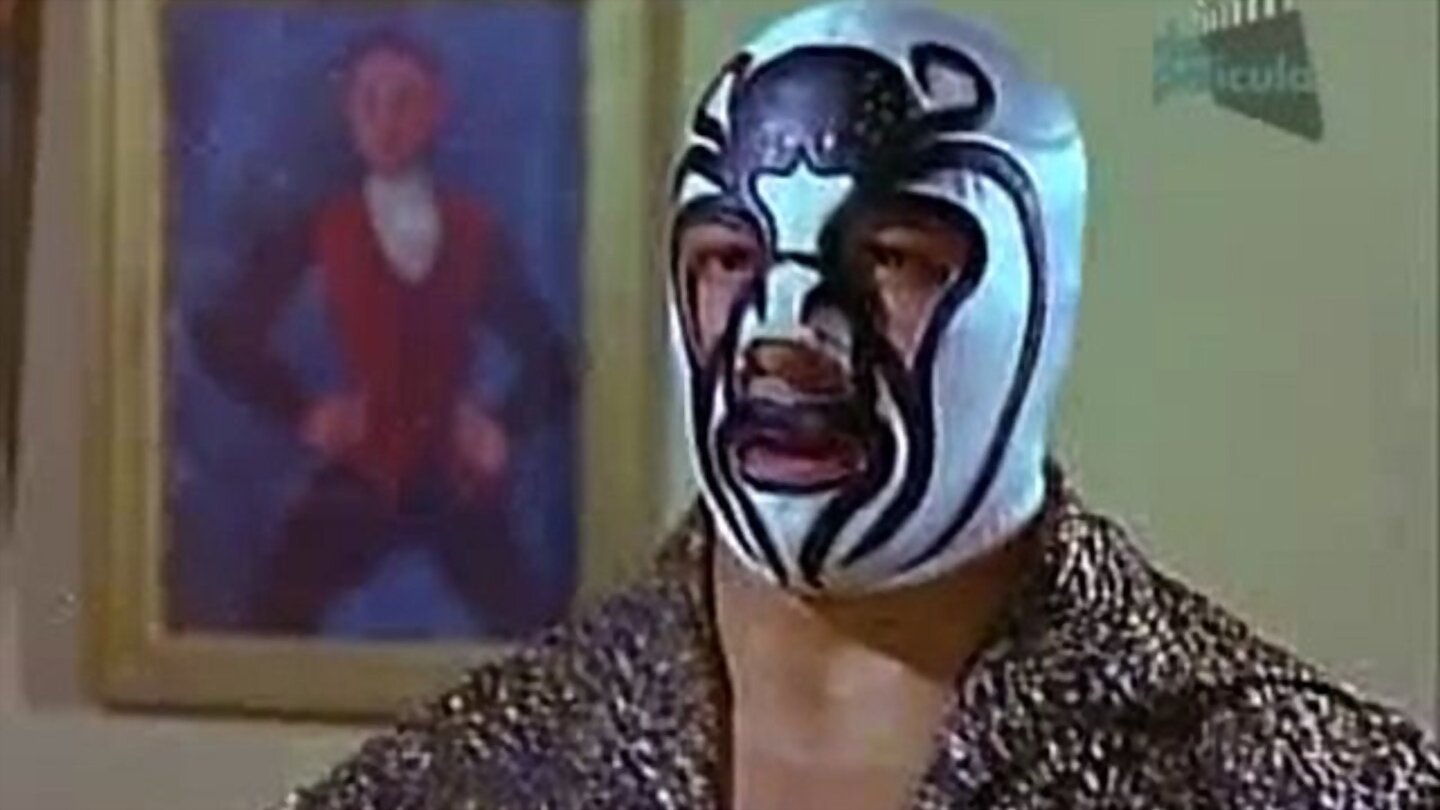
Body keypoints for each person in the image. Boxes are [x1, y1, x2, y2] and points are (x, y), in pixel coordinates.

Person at [273, 3, 1439, 807]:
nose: (785, 338)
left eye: (891, 258)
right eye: (731, 259)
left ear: (1044, 293)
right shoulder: (453, 784)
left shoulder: (1306, 781)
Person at [196, 32, 573, 637]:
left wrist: (503, 425)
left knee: (530, 636)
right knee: (270, 625)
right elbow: (220, 332)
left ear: (435, 111)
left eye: (405, 101)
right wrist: (302, 410)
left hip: (453, 477)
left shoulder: (474, 230)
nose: (386, 121)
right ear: (347, 112)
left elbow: (552, 358)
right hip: (362, 471)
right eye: (368, 102)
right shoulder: (320, 226)